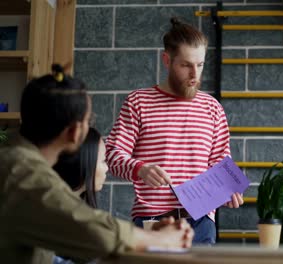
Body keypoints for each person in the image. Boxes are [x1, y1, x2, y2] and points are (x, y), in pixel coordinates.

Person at [0, 64, 193, 264]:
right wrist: (160, 240)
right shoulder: (21, 172)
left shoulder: (14, 158)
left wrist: (149, 238)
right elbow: (90, 229)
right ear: (74, 132)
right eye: (89, 120)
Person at [105, 17, 243, 244]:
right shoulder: (138, 101)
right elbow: (111, 155)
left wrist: (228, 188)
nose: (194, 75)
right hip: (152, 222)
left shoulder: (213, 108)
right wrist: (140, 168)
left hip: (201, 223)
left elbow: (220, 161)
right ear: (167, 60)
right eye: (186, 65)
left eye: (200, 65)